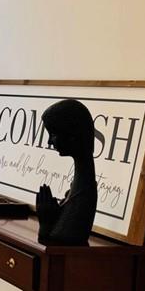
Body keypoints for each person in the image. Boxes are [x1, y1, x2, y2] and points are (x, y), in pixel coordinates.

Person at [35, 99, 97, 245]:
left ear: (72, 135)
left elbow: (63, 238)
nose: (50, 142)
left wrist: (46, 223)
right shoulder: (81, 184)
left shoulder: (84, 190)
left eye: (53, 134)